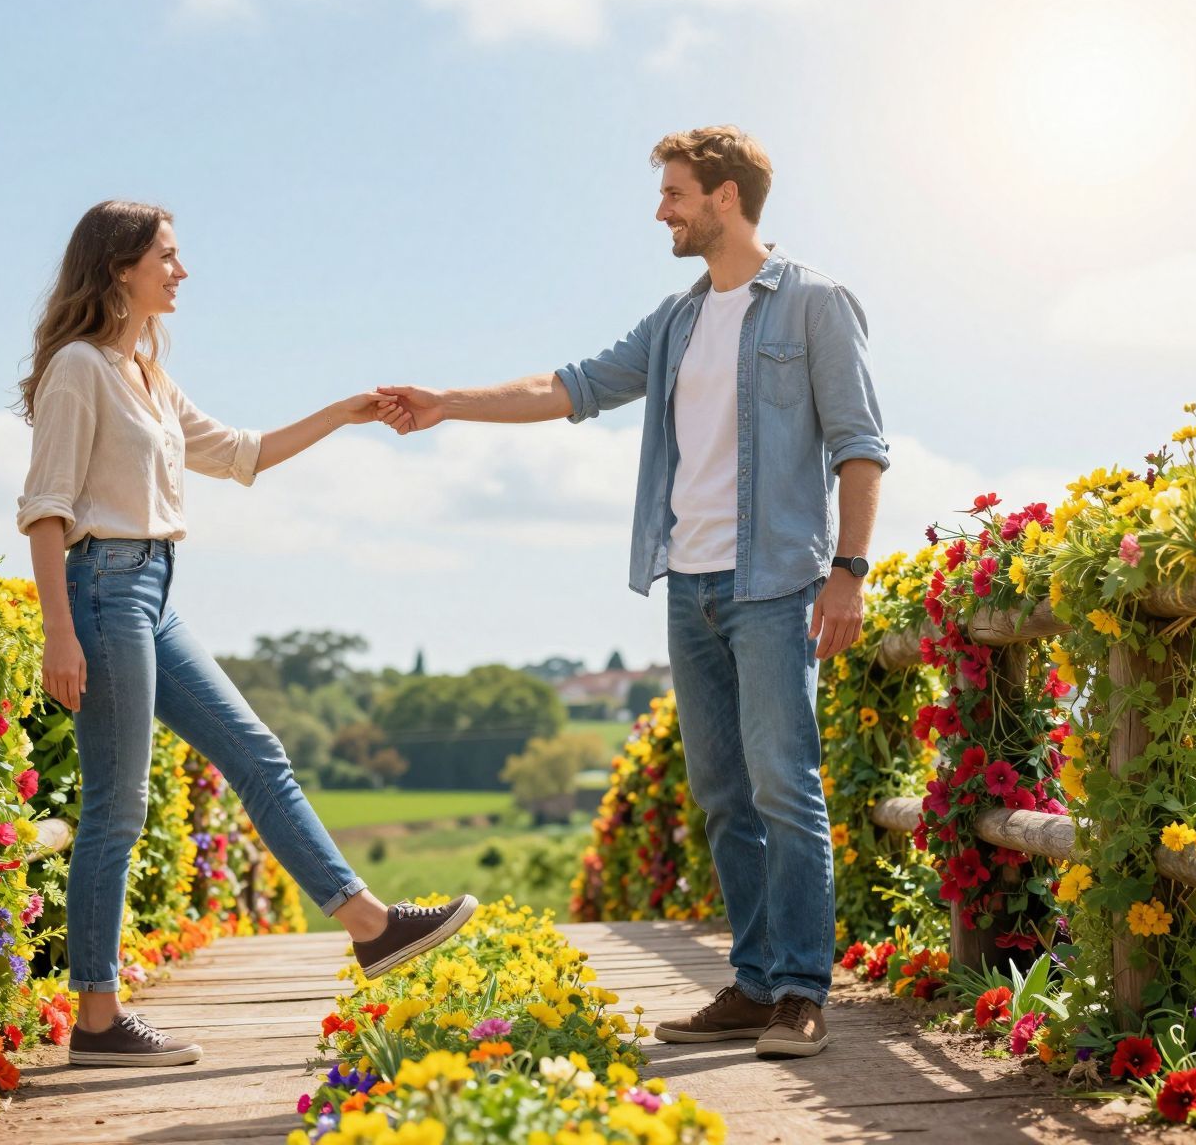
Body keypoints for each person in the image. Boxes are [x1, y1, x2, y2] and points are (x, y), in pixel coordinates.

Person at [374, 127, 886, 1059]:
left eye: (676, 193)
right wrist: (448, 400)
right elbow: (566, 387)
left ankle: (804, 994)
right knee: (724, 794)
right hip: (688, 585)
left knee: (785, 786)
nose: (663, 210)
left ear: (725, 197)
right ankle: (754, 981)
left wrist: (849, 570)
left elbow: (859, 446)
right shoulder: (676, 322)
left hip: (776, 583)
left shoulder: (815, 303)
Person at [16, 200, 476, 1068]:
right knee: (118, 809)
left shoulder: (142, 374)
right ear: (120, 265)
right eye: (168, 256)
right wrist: (58, 632)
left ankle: (369, 926)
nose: (181, 271)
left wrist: (345, 412)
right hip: (103, 589)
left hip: (154, 589)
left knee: (257, 751)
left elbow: (242, 454)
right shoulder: (79, 368)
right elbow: (45, 511)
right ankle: (98, 1019)